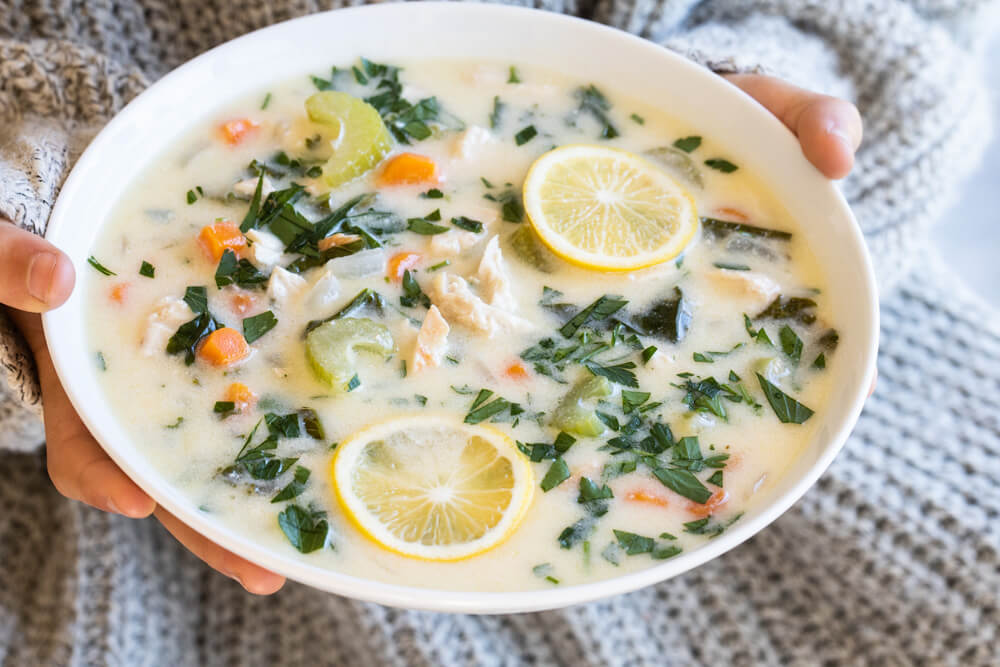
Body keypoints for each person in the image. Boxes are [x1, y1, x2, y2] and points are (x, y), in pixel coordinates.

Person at [1, 1, 997, 664]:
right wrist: (24, 246)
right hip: (120, 566)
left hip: (860, 406)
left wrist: (750, 86)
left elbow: (926, 22)